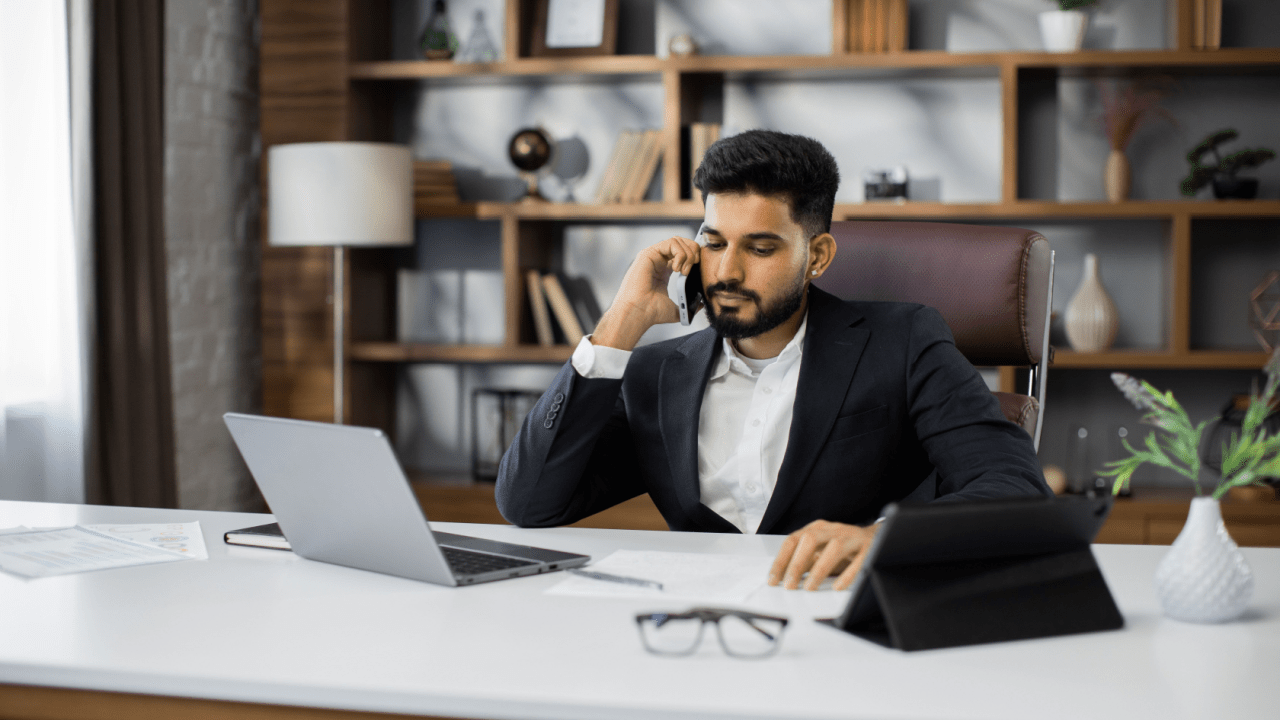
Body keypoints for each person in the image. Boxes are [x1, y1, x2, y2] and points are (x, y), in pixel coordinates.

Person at [496, 130, 1050, 591]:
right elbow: (530, 503)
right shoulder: (653, 373)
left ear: (817, 256)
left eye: (760, 249)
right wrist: (618, 326)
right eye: (714, 244)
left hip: (846, 623)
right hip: (699, 632)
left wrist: (882, 537)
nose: (728, 272)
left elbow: (1014, 489)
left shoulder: (903, 340)